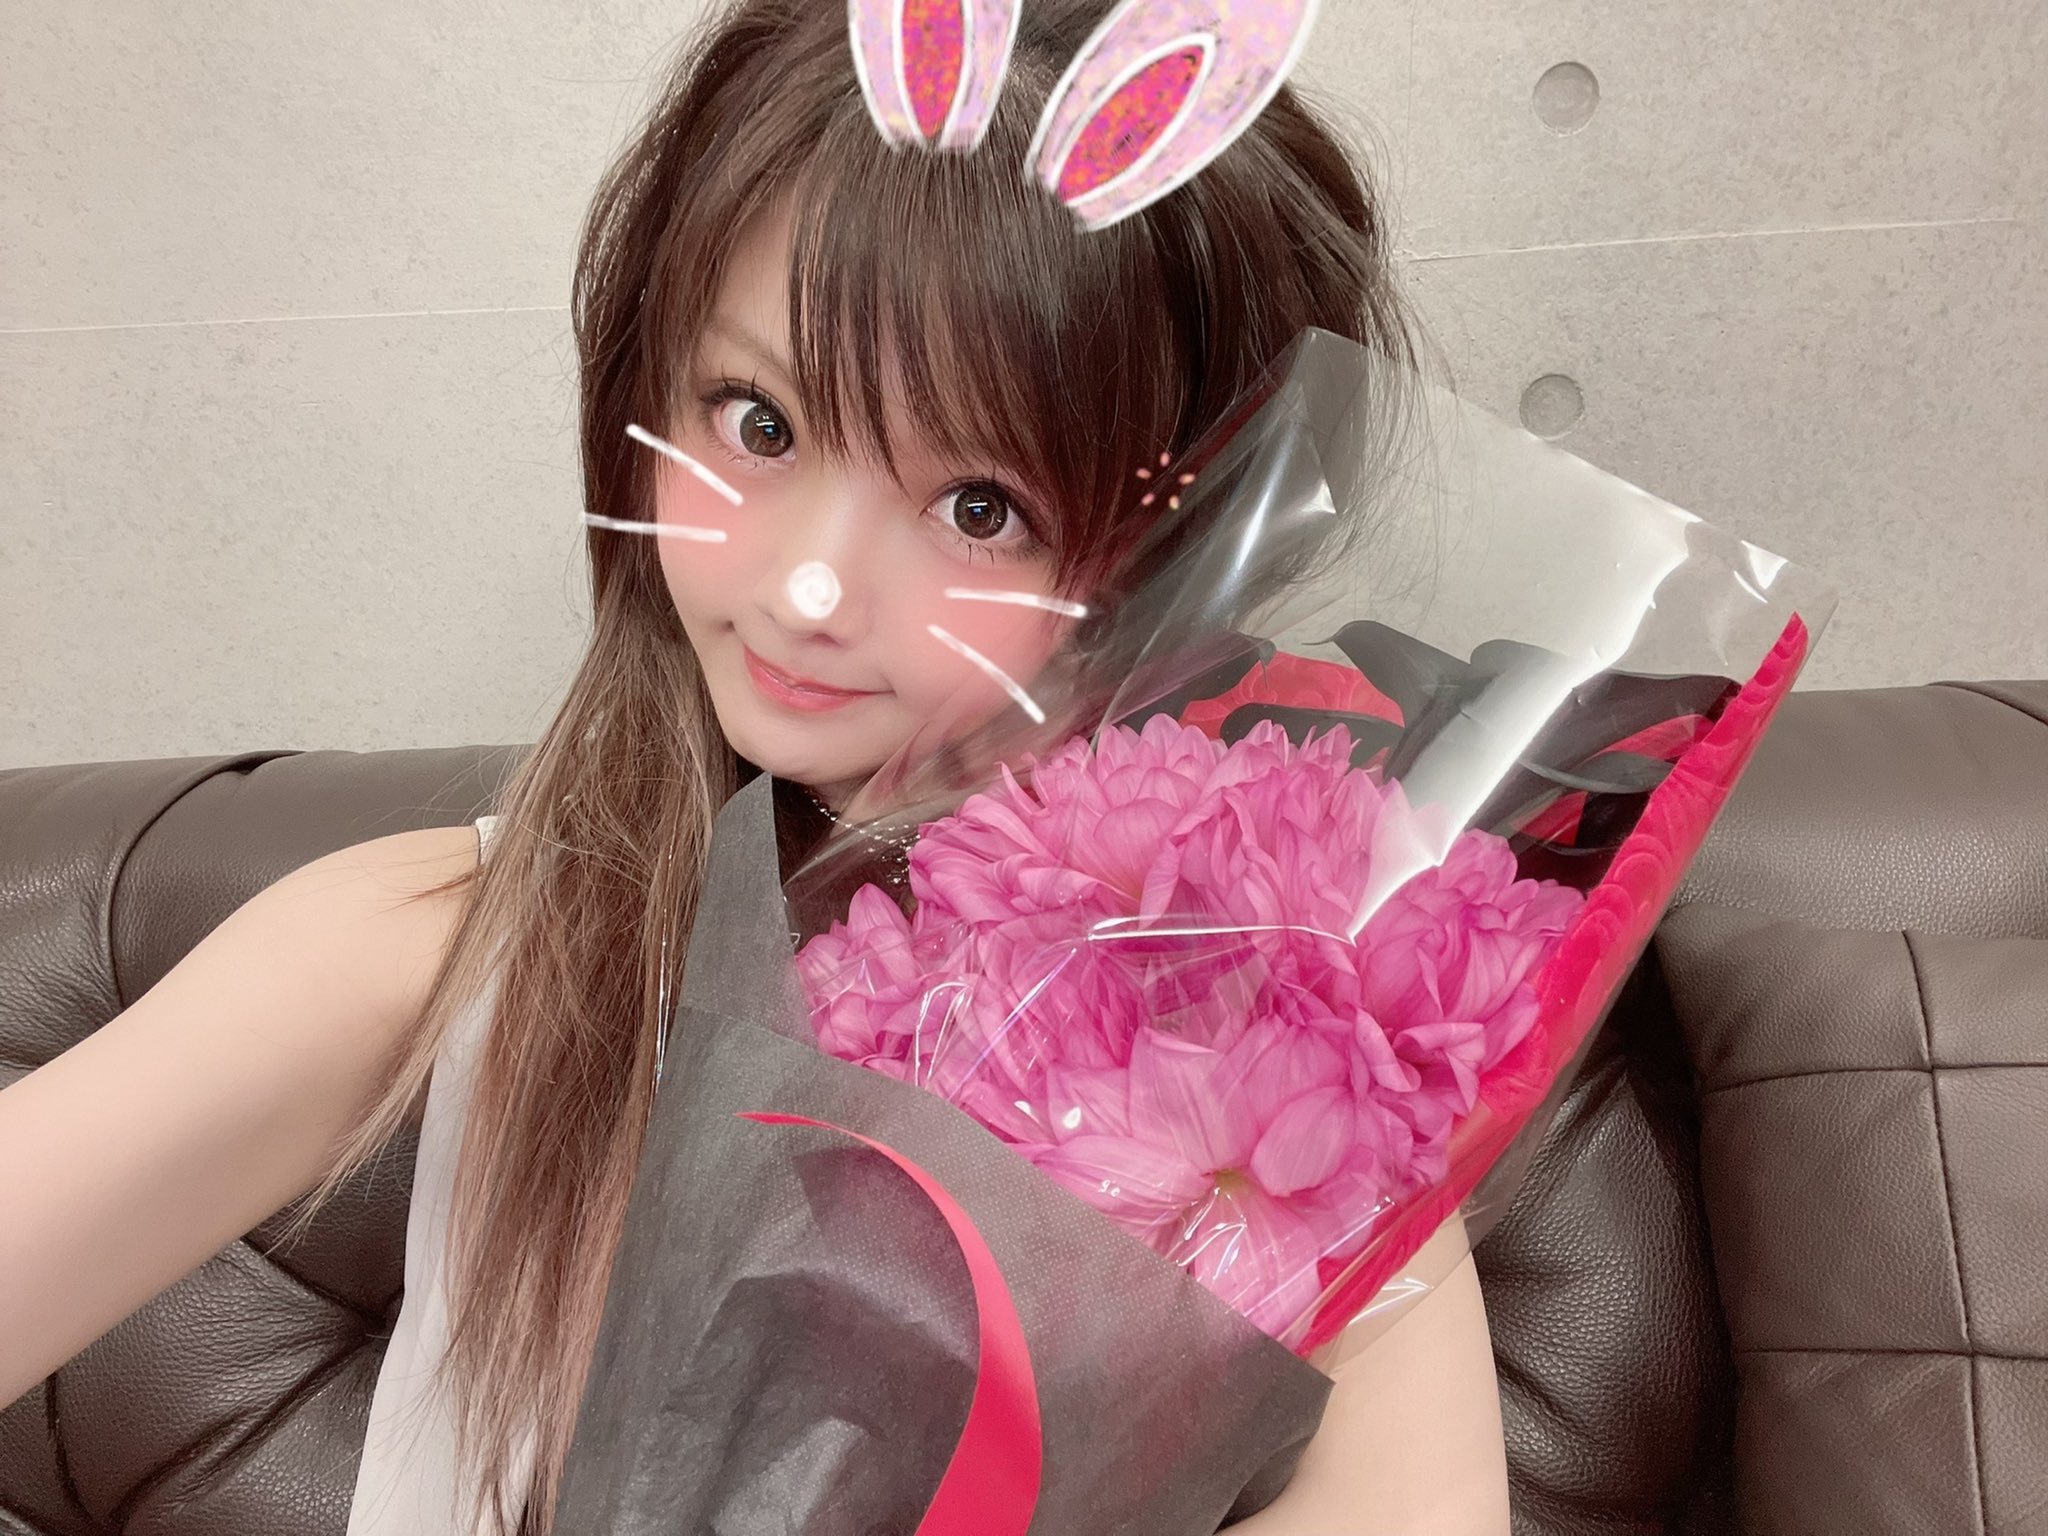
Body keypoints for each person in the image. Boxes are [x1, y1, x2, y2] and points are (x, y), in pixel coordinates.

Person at [0, 0, 1511, 1530]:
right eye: (760, 424)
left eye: (980, 507)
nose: (809, 589)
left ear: (1179, 554)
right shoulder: (442, 949)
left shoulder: (1280, 1091)